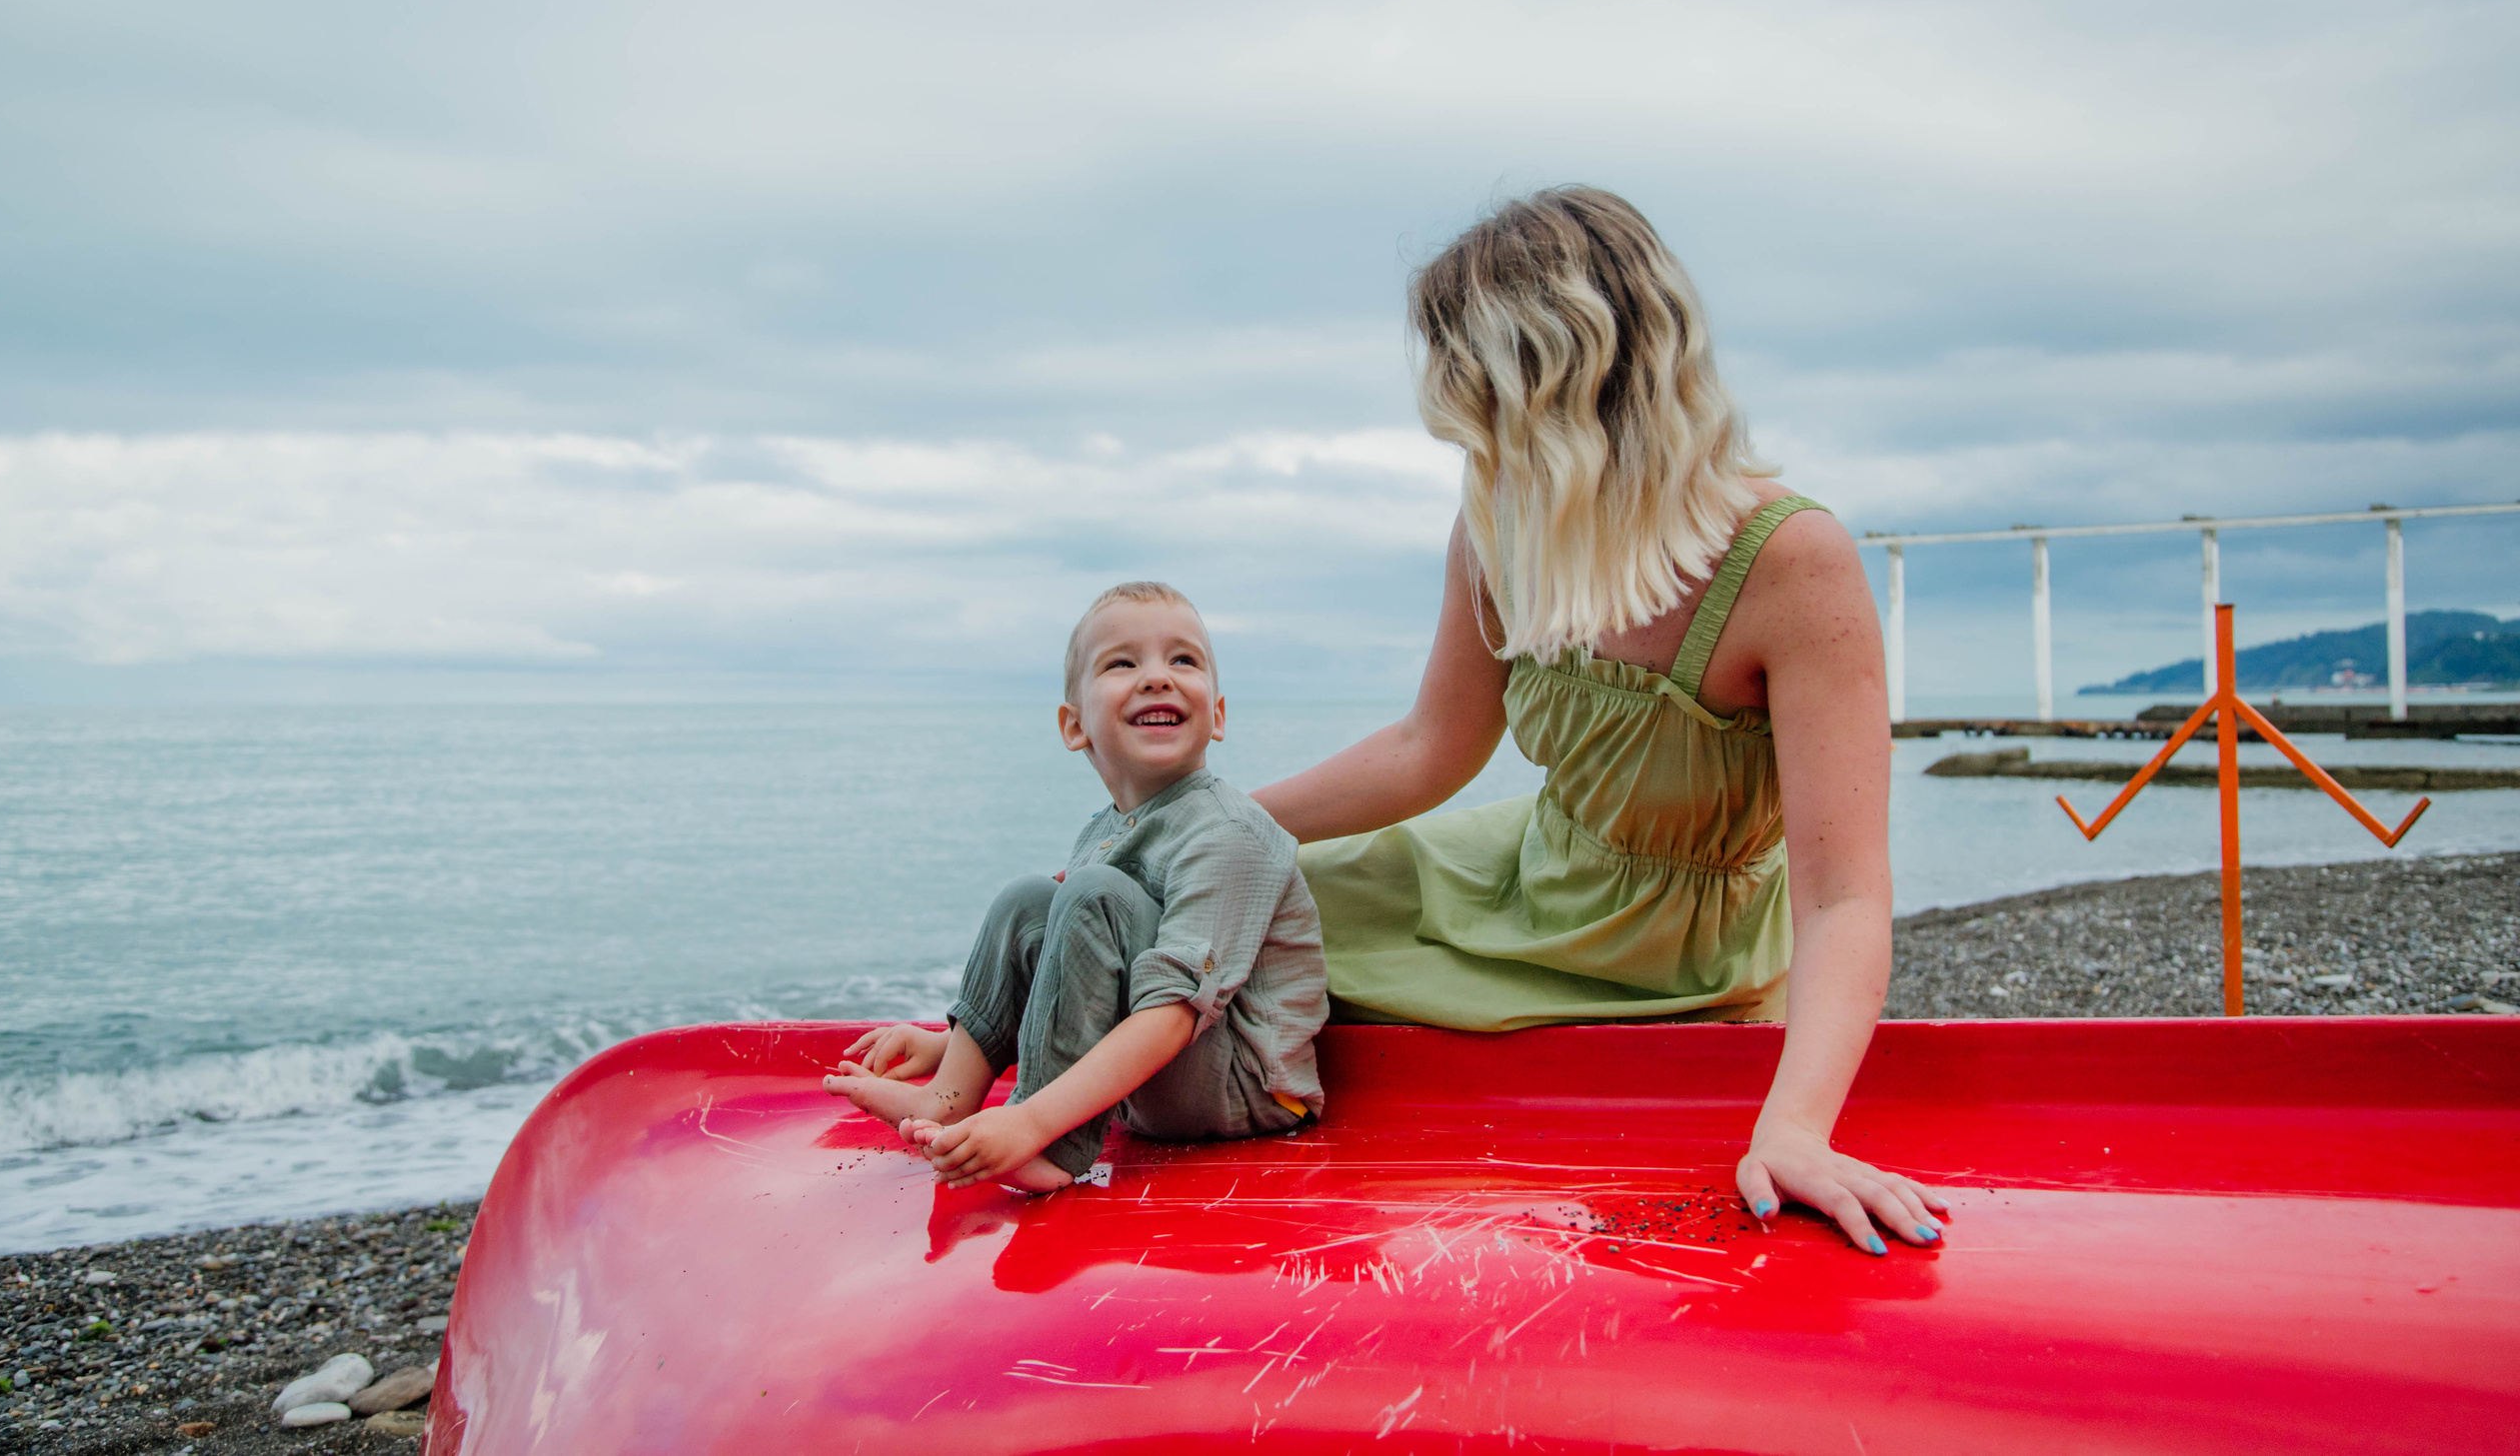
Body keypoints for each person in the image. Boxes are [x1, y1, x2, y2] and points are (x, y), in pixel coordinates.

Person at [1253, 187, 1945, 1254]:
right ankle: (979, 1055)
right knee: (1227, 901)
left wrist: (1796, 1127)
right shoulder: (1497, 522)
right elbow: (1425, 750)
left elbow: (1844, 890)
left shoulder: (1792, 561)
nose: (1469, 435)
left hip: (1683, 957)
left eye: (1478, 397)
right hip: (1523, 877)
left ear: (1554, 381)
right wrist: (1201, 828)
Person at [826, 581, 1326, 1193]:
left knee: (1089, 894)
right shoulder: (1104, 832)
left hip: (1244, 1090)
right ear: (1074, 726)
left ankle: (1052, 1149)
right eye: (1123, 662)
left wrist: (1027, 1120)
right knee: (1030, 901)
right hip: (1150, 1085)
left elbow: (1175, 1011)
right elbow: (1070, 972)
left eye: (1183, 659)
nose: (1157, 677)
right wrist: (954, 1045)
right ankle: (947, 1098)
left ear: (1217, 715)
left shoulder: (1229, 832)